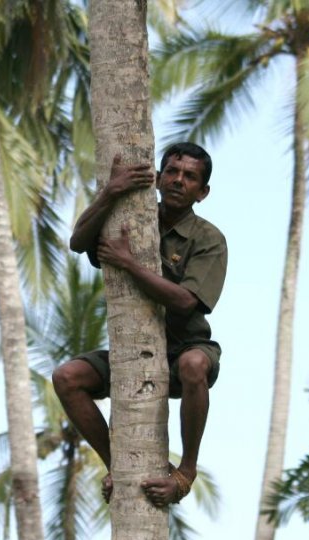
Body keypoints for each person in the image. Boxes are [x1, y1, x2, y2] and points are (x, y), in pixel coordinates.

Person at [52, 142, 227, 508]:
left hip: (186, 349)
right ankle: (117, 463)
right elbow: (78, 240)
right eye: (173, 172)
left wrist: (130, 264)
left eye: (190, 177)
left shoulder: (208, 239)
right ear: (159, 177)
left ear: (203, 192)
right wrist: (112, 191)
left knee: (194, 365)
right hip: (132, 354)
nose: (179, 181)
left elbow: (185, 302)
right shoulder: (132, 216)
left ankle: (185, 472)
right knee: (67, 377)